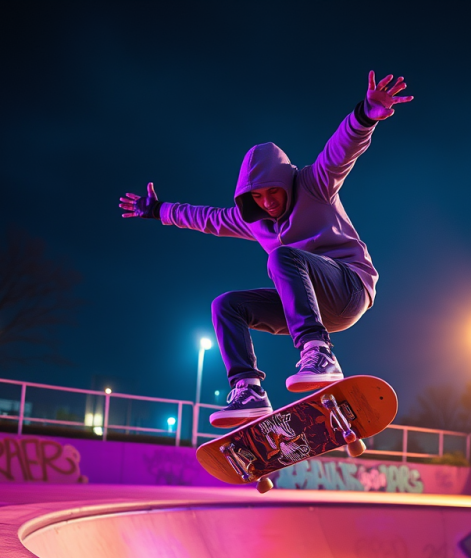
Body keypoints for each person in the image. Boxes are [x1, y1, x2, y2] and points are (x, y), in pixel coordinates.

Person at [120, 71, 413, 428]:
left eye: (273, 192)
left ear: (286, 181)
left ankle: (318, 354)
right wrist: (158, 210)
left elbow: (341, 151)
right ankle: (248, 389)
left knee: (282, 256)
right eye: (257, 197)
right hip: (310, 305)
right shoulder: (253, 220)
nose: (268, 202)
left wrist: (367, 113)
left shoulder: (314, 184)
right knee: (227, 305)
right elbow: (207, 218)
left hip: (349, 288)